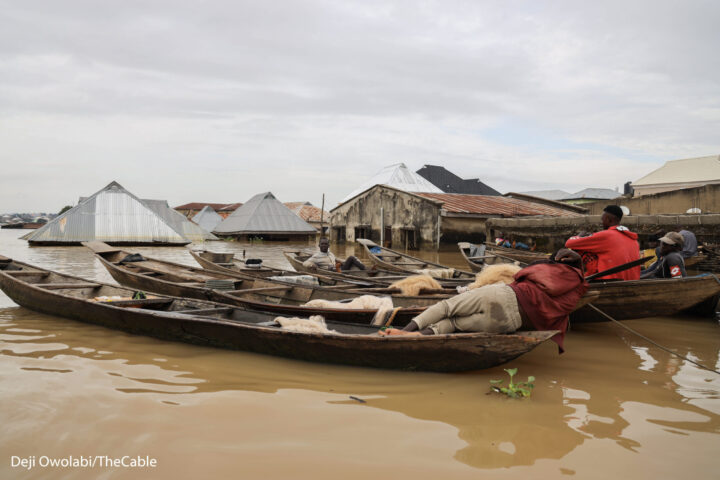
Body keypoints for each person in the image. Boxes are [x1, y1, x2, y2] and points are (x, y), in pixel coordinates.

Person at [379, 249, 588, 353]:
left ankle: (404, 332)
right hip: (509, 323)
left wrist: (548, 262)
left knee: (446, 307)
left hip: (503, 296)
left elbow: (524, 274)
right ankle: (415, 336)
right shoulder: (578, 290)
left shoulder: (553, 270)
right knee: (451, 325)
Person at [564, 205, 640, 280]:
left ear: (609, 220)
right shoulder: (634, 240)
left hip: (610, 282)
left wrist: (579, 236)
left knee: (579, 249)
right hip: (632, 281)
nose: (601, 223)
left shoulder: (607, 235)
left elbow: (569, 243)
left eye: (602, 220)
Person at [302, 237, 367, 272]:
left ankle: (366, 270)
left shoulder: (330, 254)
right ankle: (366, 271)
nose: (324, 245)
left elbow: (336, 259)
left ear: (328, 245)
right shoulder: (316, 256)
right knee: (350, 258)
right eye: (322, 244)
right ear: (319, 245)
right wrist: (311, 265)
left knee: (352, 258)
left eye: (325, 244)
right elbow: (304, 263)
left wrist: (343, 262)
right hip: (332, 272)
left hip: (339, 269)